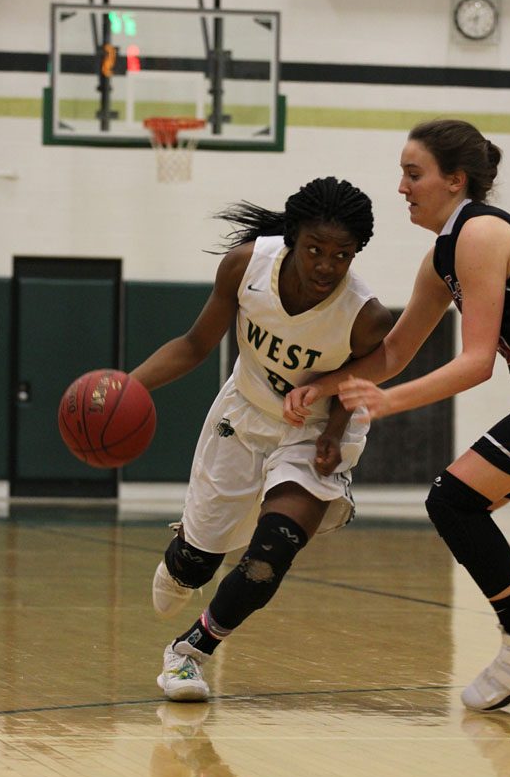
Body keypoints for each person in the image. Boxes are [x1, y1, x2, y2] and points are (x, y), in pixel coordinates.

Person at [283, 119, 510, 712]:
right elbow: (393, 351)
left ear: (455, 180)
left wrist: (388, 402)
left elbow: (476, 363)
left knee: (453, 498)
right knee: (462, 501)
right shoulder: (443, 256)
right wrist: (324, 385)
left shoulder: (480, 233)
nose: (401, 187)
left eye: (413, 174)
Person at [130, 176, 393, 701]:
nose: (325, 265)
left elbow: (363, 376)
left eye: (341, 255)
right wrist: (127, 388)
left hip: (313, 430)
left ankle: (187, 655)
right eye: (315, 249)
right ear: (293, 238)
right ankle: (185, 556)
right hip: (246, 412)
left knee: (272, 552)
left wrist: (335, 431)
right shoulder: (246, 266)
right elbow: (194, 344)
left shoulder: (365, 315)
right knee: (194, 566)